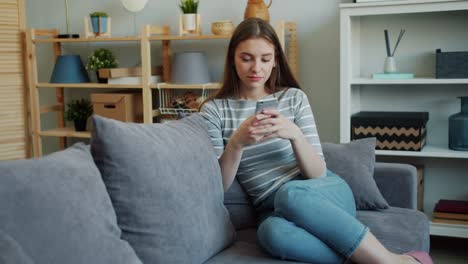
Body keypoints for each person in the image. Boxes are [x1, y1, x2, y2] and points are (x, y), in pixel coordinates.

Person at [200, 18, 432, 264]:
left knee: (290, 193)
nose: (256, 68)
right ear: (232, 58)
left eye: (265, 59)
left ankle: (392, 261)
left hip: (324, 194)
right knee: (271, 234)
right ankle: (363, 258)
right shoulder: (215, 110)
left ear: (276, 59)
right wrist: (236, 143)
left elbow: (318, 172)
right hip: (271, 209)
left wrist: (295, 135)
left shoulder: (293, 98)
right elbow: (220, 186)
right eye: (246, 58)